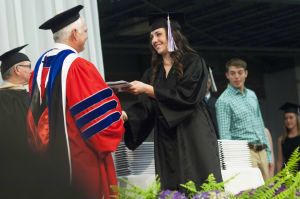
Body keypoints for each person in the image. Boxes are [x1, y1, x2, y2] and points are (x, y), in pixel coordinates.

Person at [26, 5, 124, 199]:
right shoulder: (78, 66)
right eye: (85, 31)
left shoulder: (40, 65)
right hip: (79, 161)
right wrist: (119, 118)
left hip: (49, 163)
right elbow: (100, 125)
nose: (87, 35)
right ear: (74, 33)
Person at [122, 13, 222, 190]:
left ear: (172, 34)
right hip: (167, 139)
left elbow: (187, 96)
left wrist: (149, 90)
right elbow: (146, 107)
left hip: (193, 133)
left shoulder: (193, 61)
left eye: (158, 34)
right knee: (172, 187)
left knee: (201, 185)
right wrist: (126, 115)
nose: (154, 40)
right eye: (151, 36)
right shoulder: (152, 72)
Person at [215, 58, 272, 181]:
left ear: (246, 73)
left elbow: (260, 124)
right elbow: (225, 136)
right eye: (233, 73)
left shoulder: (252, 95)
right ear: (227, 75)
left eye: (240, 72)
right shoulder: (223, 101)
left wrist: (269, 155)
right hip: (244, 154)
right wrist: (232, 164)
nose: (237, 76)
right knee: (251, 192)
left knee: (269, 192)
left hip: (262, 150)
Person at [0, 44, 35, 198]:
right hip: (18, 167)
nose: (31, 70)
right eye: (28, 66)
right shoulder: (5, 99)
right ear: (17, 70)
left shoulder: (26, 95)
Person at [276, 102, 300, 172]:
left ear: (296, 118)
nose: (288, 120)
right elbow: (280, 161)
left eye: (291, 117)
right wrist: (278, 178)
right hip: (287, 174)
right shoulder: (281, 139)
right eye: (285, 118)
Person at [204, 75, 219, 139]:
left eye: (208, 80)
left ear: (211, 82)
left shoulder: (218, 103)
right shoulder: (193, 104)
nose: (205, 83)